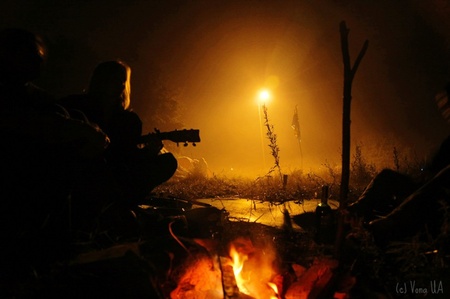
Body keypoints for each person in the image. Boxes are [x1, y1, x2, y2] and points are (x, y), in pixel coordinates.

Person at [0, 28, 109, 284]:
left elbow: (56, 113)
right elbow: (27, 123)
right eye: (31, 57)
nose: (38, 64)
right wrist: (80, 130)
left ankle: (68, 236)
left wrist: (85, 128)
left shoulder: (30, 92)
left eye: (40, 58)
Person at [60, 60, 178, 210]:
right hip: (82, 170)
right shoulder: (75, 106)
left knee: (167, 161)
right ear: (100, 80)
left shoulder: (130, 120)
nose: (119, 84)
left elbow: (127, 157)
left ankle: (121, 206)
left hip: (115, 173)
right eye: (113, 78)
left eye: (122, 80)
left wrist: (150, 151)